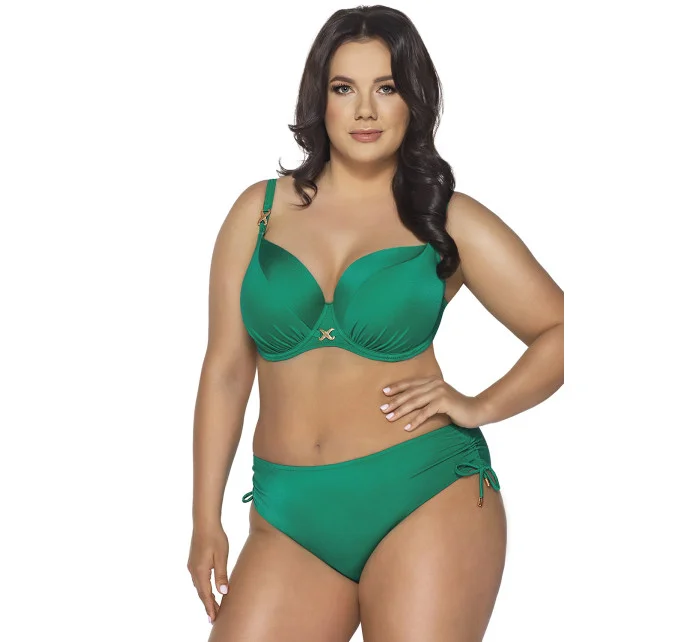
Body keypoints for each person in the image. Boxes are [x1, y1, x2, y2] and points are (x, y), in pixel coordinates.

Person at [188, 6, 564, 641]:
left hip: (424, 493)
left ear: (414, 98)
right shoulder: (259, 212)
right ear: (320, 99)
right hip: (288, 515)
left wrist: (480, 404)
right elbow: (225, 369)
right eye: (345, 88)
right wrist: (206, 520)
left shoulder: (446, 219)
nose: (365, 110)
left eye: (386, 87)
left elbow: (563, 330)